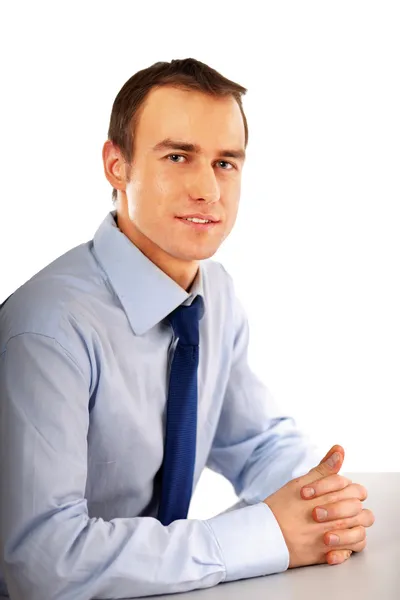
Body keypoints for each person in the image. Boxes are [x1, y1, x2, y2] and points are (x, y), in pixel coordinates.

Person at [0, 58, 374, 600]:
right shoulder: (46, 331)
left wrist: (322, 503)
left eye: (226, 163)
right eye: (178, 157)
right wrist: (264, 537)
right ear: (116, 165)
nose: (208, 190)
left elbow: (254, 441)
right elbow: (42, 564)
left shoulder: (213, 294)